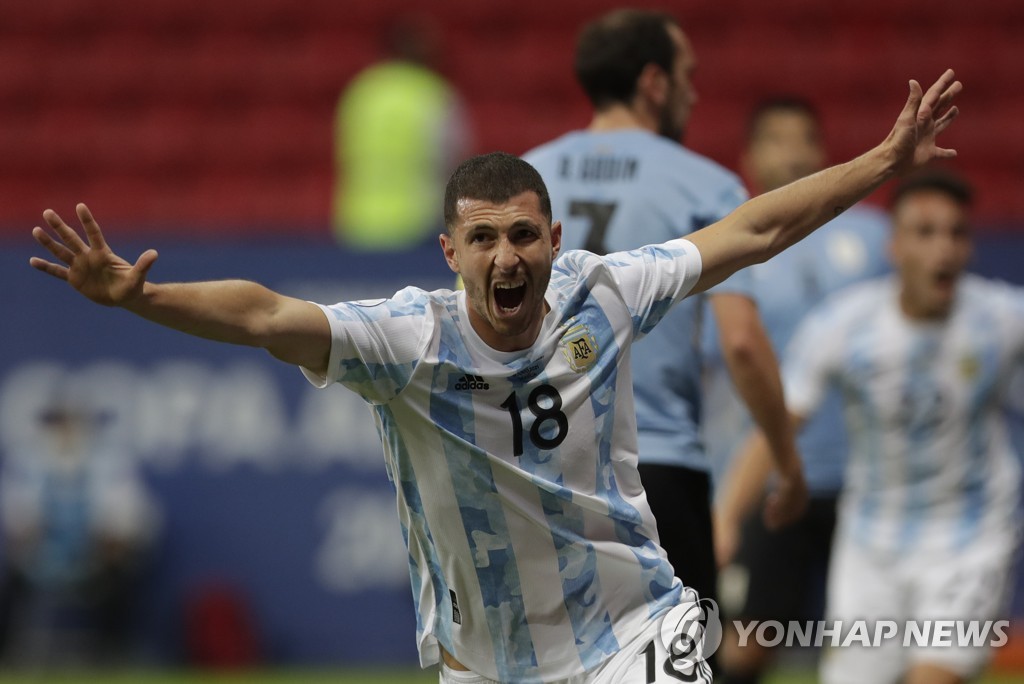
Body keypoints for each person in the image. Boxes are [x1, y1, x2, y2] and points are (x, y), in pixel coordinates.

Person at [28, 69, 959, 683]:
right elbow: (268, 315)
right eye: (483, 238)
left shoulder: (605, 290)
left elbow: (754, 231)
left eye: (522, 235)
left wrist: (881, 161)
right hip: (490, 661)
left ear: (553, 242)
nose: (505, 256)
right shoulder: (407, 343)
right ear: (450, 251)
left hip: (639, 629)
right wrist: (138, 299)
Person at [522, 10, 802, 635]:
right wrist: (786, 459)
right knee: (679, 661)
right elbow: (742, 343)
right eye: (686, 75)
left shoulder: (522, 177)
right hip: (657, 464)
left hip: (541, 459)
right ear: (654, 82)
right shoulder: (706, 185)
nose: (694, 91)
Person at [720, 168, 1021, 684]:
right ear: (895, 246)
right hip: (870, 547)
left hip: (969, 541)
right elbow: (777, 427)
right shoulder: (846, 326)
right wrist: (725, 518)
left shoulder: (1001, 319)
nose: (943, 249)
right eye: (926, 232)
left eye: (956, 233)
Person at [708, 97, 891, 684]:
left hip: (869, 482)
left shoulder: (878, 238)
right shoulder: (729, 247)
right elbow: (716, 374)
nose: (793, 152)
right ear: (750, 156)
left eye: (804, 138)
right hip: (771, 483)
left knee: (877, 643)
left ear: (823, 151)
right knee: (749, 642)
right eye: (777, 139)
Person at [0, 397, 159, 665]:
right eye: (57, 424)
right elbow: (20, 523)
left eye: (70, 424)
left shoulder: (110, 462)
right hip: (43, 560)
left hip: (94, 559)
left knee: (118, 579)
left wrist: (101, 552)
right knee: (12, 582)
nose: (64, 433)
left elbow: (124, 520)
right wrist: (36, 548)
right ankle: (7, 654)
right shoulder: (27, 463)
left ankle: (113, 655)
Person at [332, 14, 472, 250]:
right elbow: (457, 161)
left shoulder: (360, 91)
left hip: (358, 222)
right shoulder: (434, 94)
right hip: (418, 222)